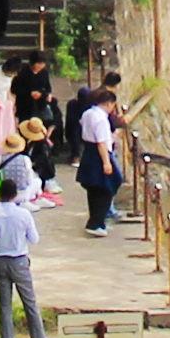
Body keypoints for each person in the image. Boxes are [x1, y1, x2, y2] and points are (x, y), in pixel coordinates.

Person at [0, 164, 54, 338]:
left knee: (4, 304)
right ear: (14, 195)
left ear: (0, 194)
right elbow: (34, 239)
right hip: (19, 261)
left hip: (0, 262)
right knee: (30, 302)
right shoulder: (24, 215)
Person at [70, 73, 124, 232]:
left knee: (94, 187)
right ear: (108, 104)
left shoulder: (88, 113)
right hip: (99, 153)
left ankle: (95, 220)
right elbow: (101, 142)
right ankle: (97, 221)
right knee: (109, 185)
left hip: (88, 150)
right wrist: (106, 162)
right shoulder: (101, 118)